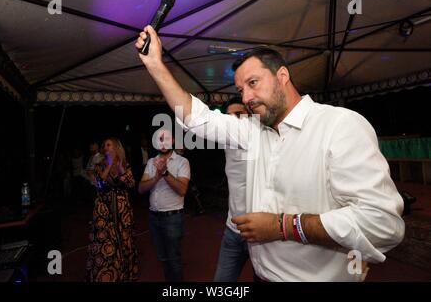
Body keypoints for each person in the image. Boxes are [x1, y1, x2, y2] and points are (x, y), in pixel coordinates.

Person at [135, 26, 405, 281]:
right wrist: (156, 65)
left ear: (282, 76)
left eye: (254, 82)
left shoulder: (339, 125)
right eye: (241, 90)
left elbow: (382, 223)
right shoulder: (252, 131)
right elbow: (197, 118)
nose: (247, 97)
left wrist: (283, 226)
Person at [138, 128, 190, 282]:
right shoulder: (151, 162)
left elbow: (182, 190)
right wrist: (156, 177)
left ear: (173, 141)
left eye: (167, 138)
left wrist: (165, 173)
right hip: (154, 217)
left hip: (172, 217)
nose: (163, 142)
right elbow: (141, 188)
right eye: (160, 139)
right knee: (163, 258)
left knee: (173, 258)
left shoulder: (182, 162)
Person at [86, 137, 138, 282]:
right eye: (104, 145)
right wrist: (108, 165)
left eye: (109, 145)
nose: (106, 147)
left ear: (116, 147)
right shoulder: (100, 165)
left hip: (122, 211)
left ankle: (125, 274)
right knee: (107, 244)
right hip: (105, 211)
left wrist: (120, 166)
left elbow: (131, 184)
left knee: (124, 241)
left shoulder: (124, 164)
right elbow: (100, 184)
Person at [214, 97, 250, 282]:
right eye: (229, 117)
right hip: (232, 230)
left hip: (258, 233)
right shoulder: (227, 143)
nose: (233, 121)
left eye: (239, 114)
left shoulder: (261, 141)